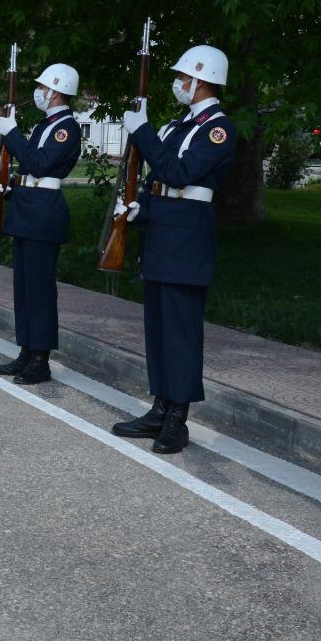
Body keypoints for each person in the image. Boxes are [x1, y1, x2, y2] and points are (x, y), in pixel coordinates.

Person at [110, 46, 236, 454]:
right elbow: (159, 184)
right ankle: (159, 407)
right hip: (163, 237)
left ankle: (177, 420)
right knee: (159, 332)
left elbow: (178, 172)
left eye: (183, 78)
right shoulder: (177, 125)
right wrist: (139, 210)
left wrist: (142, 132)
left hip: (186, 243)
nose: (178, 84)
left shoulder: (218, 129)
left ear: (200, 80)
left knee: (181, 334)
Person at [0, 63, 83, 386]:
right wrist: (10, 186)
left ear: (56, 90)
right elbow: (29, 169)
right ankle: (26, 351)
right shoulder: (46, 125)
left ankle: (41, 358)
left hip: (44, 213)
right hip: (29, 208)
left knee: (41, 289)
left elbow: (39, 163)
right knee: (24, 288)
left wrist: (12, 133)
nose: (39, 92)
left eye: (43, 87)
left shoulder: (66, 128)